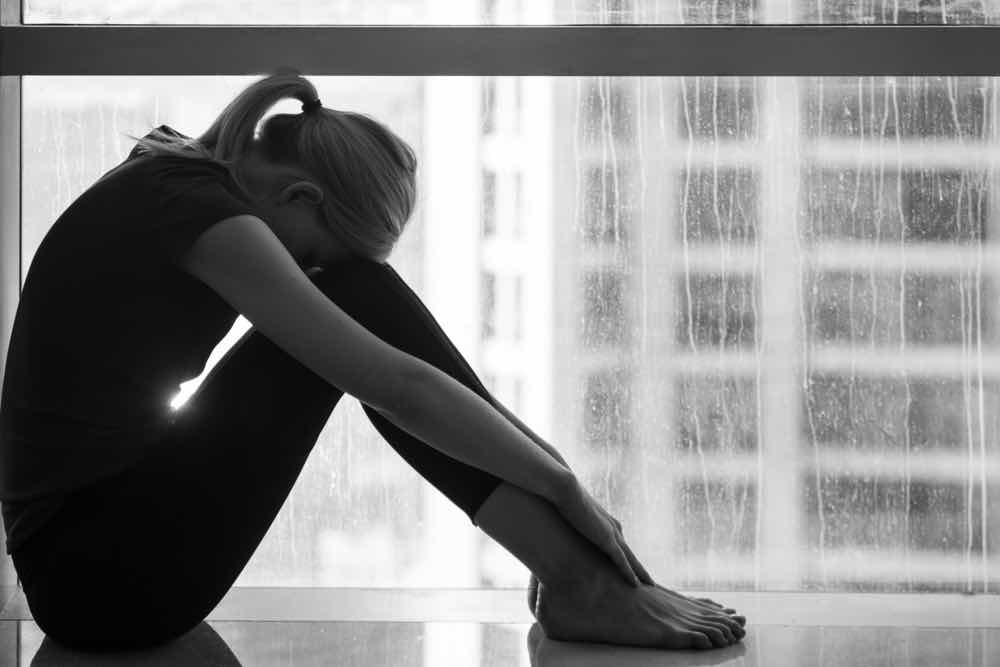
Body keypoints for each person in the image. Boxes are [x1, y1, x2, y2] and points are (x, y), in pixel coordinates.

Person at [0, 67, 745, 653]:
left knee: (364, 299)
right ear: (299, 194)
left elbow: (410, 380)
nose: (305, 273)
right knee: (363, 297)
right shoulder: (204, 215)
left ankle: (575, 573)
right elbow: (400, 387)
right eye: (312, 255)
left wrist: (557, 477)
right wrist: (562, 483)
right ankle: (577, 576)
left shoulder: (173, 172)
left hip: (89, 551)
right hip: (100, 583)